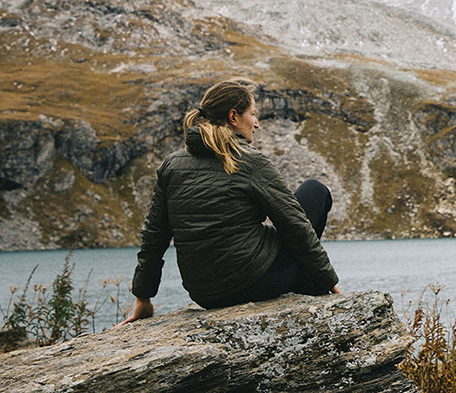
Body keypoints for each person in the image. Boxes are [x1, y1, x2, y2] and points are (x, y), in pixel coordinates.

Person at [118, 77, 340, 326]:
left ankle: (301, 281)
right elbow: (295, 224)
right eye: (253, 114)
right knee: (315, 190)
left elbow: (154, 235)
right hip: (257, 283)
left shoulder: (172, 164)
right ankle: (306, 284)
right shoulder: (249, 160)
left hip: (205, 294)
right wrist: (329, 283)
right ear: (234, 117)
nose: (256, 124)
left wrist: (143, 298)